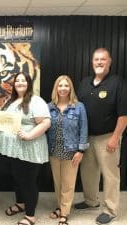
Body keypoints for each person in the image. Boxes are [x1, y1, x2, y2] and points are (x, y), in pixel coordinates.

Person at [74, 48, 127, 225]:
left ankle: (110, 209)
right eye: (96, 59)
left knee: (111, 175)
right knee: (88, 172)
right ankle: (91, 201)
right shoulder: (84, 82)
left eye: (103, 59)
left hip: (107, 137)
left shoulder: (117, 83)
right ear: (92, 62)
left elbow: (123, 116)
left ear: (109, 62)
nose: (99, 62)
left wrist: (115, 137)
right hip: (86, 137)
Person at [0, 72, 51, 225]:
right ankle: (21, 204)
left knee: (28, 182)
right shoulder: (10, 101)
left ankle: (30, 216)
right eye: (17, 81)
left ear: (29, 83)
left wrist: (29, 135)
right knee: (17, 178)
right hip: (14, 149)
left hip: (29, 147)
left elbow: (45, 123)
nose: (19, 83)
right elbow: (8, 121)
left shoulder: (36, 101)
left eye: (23, 80)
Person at [47, 75, 89, 225]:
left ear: (70, 88)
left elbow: (84, 129)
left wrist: (81, 151)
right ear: (56, 88)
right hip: (53, 150)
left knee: (68, 184)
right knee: (58, 183)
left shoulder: (78, 107)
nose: (63, 88)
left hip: (71, 152)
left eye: (66, 85)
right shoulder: (49, 106)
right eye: (60, 85)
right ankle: (60, 206)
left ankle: (64, 213)